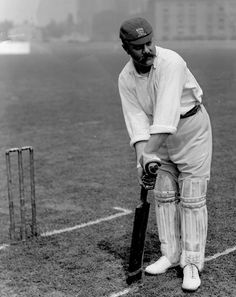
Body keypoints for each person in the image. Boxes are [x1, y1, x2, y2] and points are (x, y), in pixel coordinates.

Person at [118, 17, 212, 292]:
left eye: (149, 43)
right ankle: (170, 255)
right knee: (164, 195)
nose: (147, 50)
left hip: (190, 128)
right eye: (139, 46)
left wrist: (149, 152)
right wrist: (141, 159)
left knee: (192, 198)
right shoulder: (126, 78)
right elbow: (136, 120)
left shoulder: (171, 62)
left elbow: (168, 112)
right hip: (156, 138)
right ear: (126, 48)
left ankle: (192, 263)